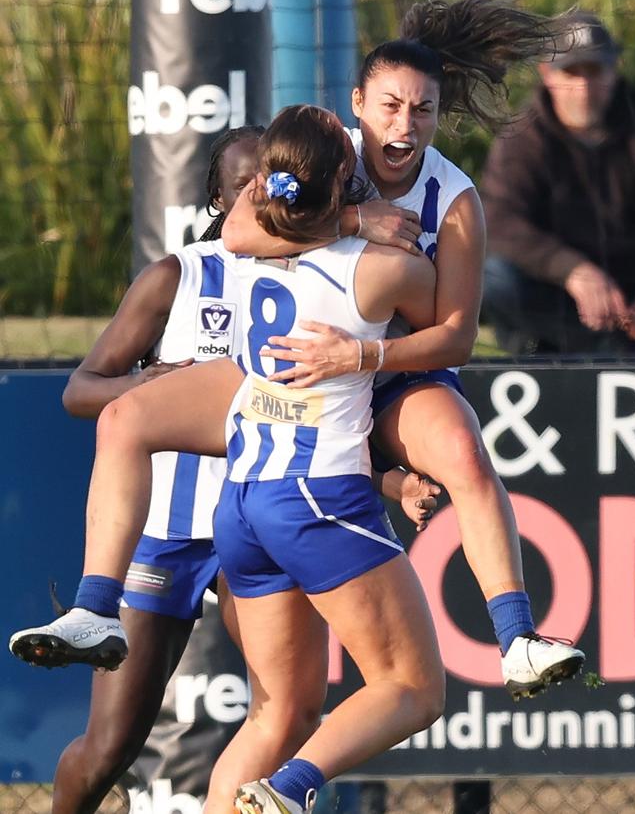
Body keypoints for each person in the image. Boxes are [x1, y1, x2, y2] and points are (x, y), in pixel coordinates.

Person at [9, 128, 439, 814]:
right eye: (245, 185)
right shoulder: (189, 271)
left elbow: (320, 406)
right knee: (111, 744)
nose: (258, 196)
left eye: (267, 183)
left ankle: (98, 608)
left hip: (251, 507)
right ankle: (96, 606)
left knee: (287, 711)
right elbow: (82, 391)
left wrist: (389, 477)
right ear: (220, 197)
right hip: (188, 526)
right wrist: (158, 386)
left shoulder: (302, 261)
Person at [221, 0, 586, 701]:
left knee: (461, 449)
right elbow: (239, 230)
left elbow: (455, 337)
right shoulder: (326, 153)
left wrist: (361, 358)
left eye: (422, 110)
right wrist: (352, 219)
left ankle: (516, 639)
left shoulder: (455, 200)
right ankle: (111, 594)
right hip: (290, 372)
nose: (404, 124)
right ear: (357, 103)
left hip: (382, 375)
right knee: (129, 421)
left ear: (439, 114)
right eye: (389, 106)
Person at [206, 104, 444, 814]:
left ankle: (267, 782)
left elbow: (245, 219)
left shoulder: (246, 250)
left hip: (244, 497)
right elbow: (449, 321)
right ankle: (289, 787)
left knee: (277, 714)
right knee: (413, 686)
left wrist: (335, 212)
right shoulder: (380, 271)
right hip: (313, 497)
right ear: (347, 179)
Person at [480, 10, 635, 355]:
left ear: (614, 72)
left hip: (629, 298)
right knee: (490, 276)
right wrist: (574, 271)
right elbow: (498, 223)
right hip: (549, 291)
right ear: (547, 74)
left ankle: (618, 349)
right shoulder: (521, 137)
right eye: (572, 72)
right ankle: (538, 350)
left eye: (594, 71)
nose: (584, 86)